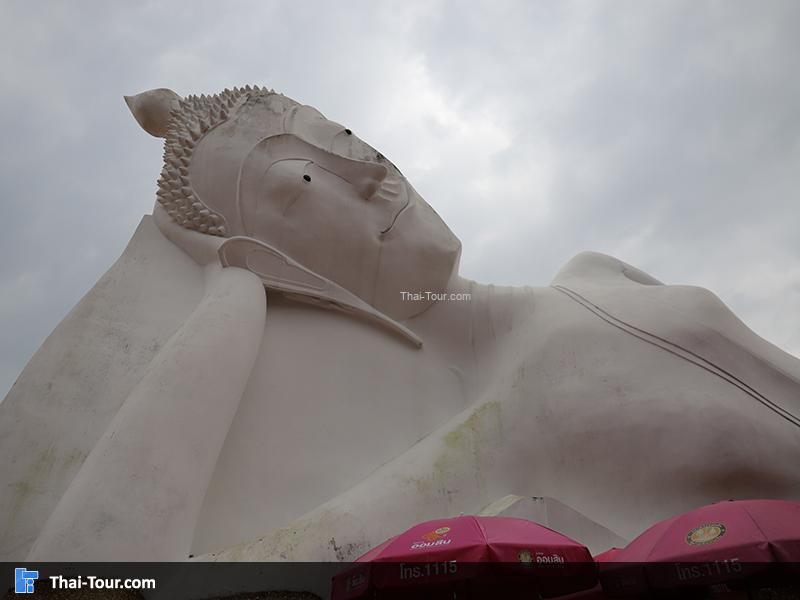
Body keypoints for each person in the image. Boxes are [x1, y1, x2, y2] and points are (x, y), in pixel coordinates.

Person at [2, 86, 798, 562]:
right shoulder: (508, 425)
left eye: (346, 139)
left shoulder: (596, 272)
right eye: (302, 179)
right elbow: (80, 580)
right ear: (278, 260)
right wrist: (232, 301)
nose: (369, 171)